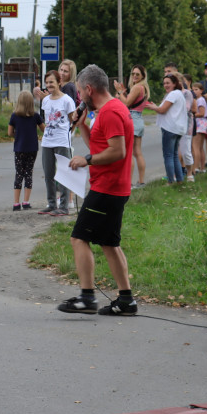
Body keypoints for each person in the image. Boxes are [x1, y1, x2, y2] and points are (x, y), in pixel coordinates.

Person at [58, 64, 136, 316]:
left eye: (80, 93)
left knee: (79, 238)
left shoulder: (111, 112)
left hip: (107, 189)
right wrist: (82, 126)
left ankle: (87, 297)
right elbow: (102, 145)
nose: (79, 98)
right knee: (109, 243)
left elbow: (118, 151)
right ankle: (126, 300)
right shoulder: (109, 110)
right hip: (114, 187)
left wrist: (86, 160)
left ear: (89, 89)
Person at [38, 70, 76, 215]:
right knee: (49, 174)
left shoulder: (67, 100)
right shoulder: (46, 100)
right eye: (47, 82)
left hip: (61, 141)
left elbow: (73, 119)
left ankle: (64, 206)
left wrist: (68, 133)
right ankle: (52, 204)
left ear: (59, 82)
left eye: (52, 82)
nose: (49, 85)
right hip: (47, 141)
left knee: (63, 173)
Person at [146, 73, 189, 184]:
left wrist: (153, 107)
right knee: (174, 154)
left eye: (168, 83)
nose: (165, 85)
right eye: (164, 83)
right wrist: (157, 106)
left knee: (168, 155)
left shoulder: (173, 94)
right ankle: (179, 180)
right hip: (178, 129)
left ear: (174, 83)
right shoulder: (179, 94)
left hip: (170, 128)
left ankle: (170, 181)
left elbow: (162, 110)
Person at [112, 63, 149, 188]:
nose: (134, 76)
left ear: (143, 76)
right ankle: (141, 181)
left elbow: (126, 103)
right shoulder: (144, 88)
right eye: (133, 73)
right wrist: (123, 92)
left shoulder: (137, 87)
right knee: (137, 152)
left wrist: (119, 92)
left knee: (129, 153)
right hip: (139, 119)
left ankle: (129, 183)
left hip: (132, 119)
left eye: (137, 74)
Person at [8, 89, 44, 211]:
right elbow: (44, 129)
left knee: (19, 173)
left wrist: (17, 135)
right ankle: (26, 202)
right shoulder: (36, 116)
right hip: (32, 148)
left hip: (19, 148)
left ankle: (16, 203)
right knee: (28, 173)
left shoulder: (14, 116)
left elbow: (9, 133)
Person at [191, 81, 207, 170]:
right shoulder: (200, 99)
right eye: (193, 89)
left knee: (195, 147)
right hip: (203, 123)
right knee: (200, 147)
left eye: (196, 89)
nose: (194, 91)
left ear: (201, 90)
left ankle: (195, 167)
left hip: (200, 123)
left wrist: (192, 114)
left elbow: (201, 113)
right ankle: (202, 167)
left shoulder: (200, 100)